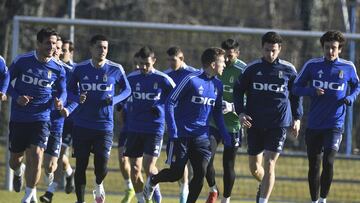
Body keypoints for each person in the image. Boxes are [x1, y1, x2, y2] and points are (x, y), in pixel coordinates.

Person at [143, 47, 232, 203]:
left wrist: (225, 134)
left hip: (202, 138)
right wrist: (173, 131)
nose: (224, 64)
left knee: (200, 174)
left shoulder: (218, 85)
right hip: (181, 136)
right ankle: (153, 180)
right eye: (222, 62)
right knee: (176, 173)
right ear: (212, 64)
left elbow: (217, 113)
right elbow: (170, 102)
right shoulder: (191, 79)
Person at [233, 31, 303, 203]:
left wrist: (297, 117)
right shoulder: (252, 69)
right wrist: (241, 113)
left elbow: (296, 94)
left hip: (278, 124)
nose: (270, 54)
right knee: (255, 168)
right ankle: (265, 185)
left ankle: (263, 200)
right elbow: (238, 91)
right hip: (254, 123)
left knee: (270, 163)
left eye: (273, 50)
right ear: (261, 48)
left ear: (279, 49)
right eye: (266, 50)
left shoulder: (288, 70)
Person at [292, 30, 360, 203]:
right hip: (314, 124)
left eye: (334, 48)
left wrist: (350, 97)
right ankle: (314, 200)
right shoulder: (312, 65)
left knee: (329, 161)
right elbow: (295, 88)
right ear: (323, 47)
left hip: (335, 124)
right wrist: (311, 91)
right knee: (314, 166)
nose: (330, 51)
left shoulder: (348, 67)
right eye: (327, 47)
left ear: (340, 49)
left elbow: (357, 87)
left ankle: (323, 199)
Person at [66, 34, 131, 203]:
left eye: (105, 48)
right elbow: (69, 91)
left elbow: (127, 90)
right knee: (80, 165)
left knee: (101, 166)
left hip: (104, 126)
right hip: (82, 125)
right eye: (99, 47)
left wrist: (114, 100)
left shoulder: (115, 68)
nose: (102, 50)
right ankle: (80, 200)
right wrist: (76, 98)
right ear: (91, 48)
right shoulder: (80, 69)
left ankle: (98, 183)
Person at [7, 27, 66, 203]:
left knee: (38, 154)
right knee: (14, 160)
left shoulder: (58, 68)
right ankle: (18, 171)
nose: (52, 47)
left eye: (54, 43)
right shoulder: (22, 61)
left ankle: (28, 196)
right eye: (48, 43)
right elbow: (4, 82)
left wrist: (60, 101)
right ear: (38, 43)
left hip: (42, 118)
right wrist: (17, 97)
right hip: (19, 118)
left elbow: (62, 91)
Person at [123, 46, 175, 203]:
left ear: (154, 61)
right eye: (140, 64)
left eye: (146, 63)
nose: (143, 67)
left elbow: (176, 97)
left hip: (154, 128)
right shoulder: (131, 78)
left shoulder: (163, 79)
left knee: (148, 166)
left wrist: (160, 106)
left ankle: (157, 198)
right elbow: (122, 94)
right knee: (134, 168)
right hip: (134, 128)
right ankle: (140, 200)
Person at [205, 39, 246, 203]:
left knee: (228, 164)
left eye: (230, 56)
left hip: (233, 125)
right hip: (214, 123)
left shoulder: (244, 70)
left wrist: (233, 107)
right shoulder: (215, 67)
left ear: (237, 54)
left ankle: (226, 199)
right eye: (224, 56)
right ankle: (213, 189)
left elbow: (252, 100)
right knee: (205, 158)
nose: (226, 60)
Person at [39, 37, 74, 203]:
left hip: (66, 122)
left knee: (58, 156)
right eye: (55, 47)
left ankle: (49, 193)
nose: (57, 51)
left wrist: (67, 109)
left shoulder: (71, 71)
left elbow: (77, 97)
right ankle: (69, 174)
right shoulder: (45, 66)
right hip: (44, 119)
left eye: (62, 49)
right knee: (42, 158)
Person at [163, 46, 198, 203]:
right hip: (175, 127)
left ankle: (210, 190)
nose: (171, 62)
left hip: (193, 126)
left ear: (182, 59)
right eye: (169, 59)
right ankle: (184, 193)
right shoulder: (165, 75)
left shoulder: (194, 74)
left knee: (197, 163)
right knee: (179, 163)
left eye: (174, 59)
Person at [117, 51, 140, 203]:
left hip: (142, 129)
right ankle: (129, 187)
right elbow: (119, 107)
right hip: (127, 129)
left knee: (139, 166)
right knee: (122, 159)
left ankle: (149, 192)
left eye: (141, 63)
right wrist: (123, 124)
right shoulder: (128, 82)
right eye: (135, 64)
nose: (138, 67)